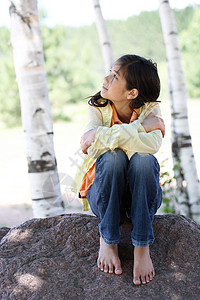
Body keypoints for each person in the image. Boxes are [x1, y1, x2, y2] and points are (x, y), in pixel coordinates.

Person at [76, 54, 165, 285]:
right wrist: (139, 129)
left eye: (114, 76)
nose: (106, 78)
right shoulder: (99, 107)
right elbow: (93, 151)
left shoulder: (150, 110)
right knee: (113, 158)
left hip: (141, 196)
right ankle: (108, 239)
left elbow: (152, 145)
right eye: (110, 72)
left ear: (132, 93)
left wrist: (99, 135)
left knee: (143, 160)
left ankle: (142, 246)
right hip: (104, 193)